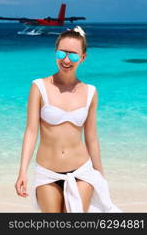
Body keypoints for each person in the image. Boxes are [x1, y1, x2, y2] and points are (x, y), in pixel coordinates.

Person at [14, 26, 121, 213]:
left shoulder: (90, 92)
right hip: (47, 172)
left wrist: (99, 173)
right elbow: (31, 131)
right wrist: (22, 171)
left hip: (82, 171)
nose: (66, 60)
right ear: (55, 53)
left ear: (83, 58)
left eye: (72, 55)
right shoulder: (38, 87)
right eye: (61, 53)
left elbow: (92, 137)